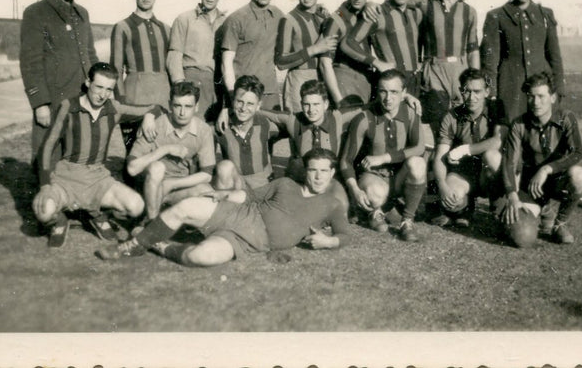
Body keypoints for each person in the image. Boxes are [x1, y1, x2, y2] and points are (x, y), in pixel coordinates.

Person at [98, 148, 352, 265]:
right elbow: (248, 196)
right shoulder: (285, 183)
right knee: (187, 205)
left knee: (200, 257)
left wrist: (329, 242)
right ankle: (132, 246)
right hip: (239, 213)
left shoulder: (332, 204)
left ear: (331, 173)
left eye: (323, 172)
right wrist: (222, 195)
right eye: (313, 170)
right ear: (306, 171)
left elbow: (346, 234)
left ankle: (157, 244)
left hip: (248, 242)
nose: (318, 177)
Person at [32, 62, 159, 247]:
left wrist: (150, 116)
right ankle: (60, 220)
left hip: (97, 178)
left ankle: (95, 214)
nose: (103, 94)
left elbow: (155, 107)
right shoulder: (68, 107)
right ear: (87, 82)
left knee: (136, 206)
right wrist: (44, 185)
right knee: (44, 211)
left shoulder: (114, 108)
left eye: (109, 89)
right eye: (99, 87)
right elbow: (47, 147)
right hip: (66, 178)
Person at [19, 0, 98, 169]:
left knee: (77, 158)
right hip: (52, 102)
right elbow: (30, 62)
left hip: (80, 100)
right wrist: (39, 104)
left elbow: (90, 55)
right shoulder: (36, 13)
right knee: (47, 159)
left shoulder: (82, 13)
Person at [341, 68, 433, 242]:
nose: (388, 98)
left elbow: (420, 147)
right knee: (375, 194)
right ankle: (376, 211)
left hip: (399, 178)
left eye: (394, 92)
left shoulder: (411, 114)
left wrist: (384, 157)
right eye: (383, 91)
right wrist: (354, 189)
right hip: (374, 177)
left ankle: (407, 220)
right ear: (377, 91)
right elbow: (346, 160)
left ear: (404, 93)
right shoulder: (365, 118)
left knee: (418, 164)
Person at [500, 71, 582, 246]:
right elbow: (509, 162)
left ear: (553, 97)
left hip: (557, 181)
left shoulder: (566, 119)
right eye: (531, 97)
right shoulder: (519, 124)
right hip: (531, 187)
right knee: (521, 238)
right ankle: (545, 211)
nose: (536, 102)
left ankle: (559, 224)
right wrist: (513, 197)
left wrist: (547, 169)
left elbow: (577, 152)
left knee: (579, 175)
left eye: (541, 96)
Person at [480, 0, 567, 120]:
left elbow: (555, 57)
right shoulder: (496, 16)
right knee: (510, 134)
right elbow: (489, 62)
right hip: (510, 90)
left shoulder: (545, 15)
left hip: (542, 90)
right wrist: (491, 94)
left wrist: (558, 89)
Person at [127, 81, 217, 219]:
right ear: (170, 105)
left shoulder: (203, 130)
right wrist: (165, 150)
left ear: (197, 107)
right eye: (177, 106)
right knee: (157, 168)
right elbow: (132, 169)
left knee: (208, 193)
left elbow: (207, 175)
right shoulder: (155, 124)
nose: (182, 112)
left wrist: (171, 184)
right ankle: (150, 224)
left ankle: (179, 222)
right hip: (149, 188)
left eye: (188, 106)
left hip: (177, 187)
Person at [430, 68, 504, 228]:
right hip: (465, 173)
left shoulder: (496, 107)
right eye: (467, 91)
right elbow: (440, 157)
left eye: (477, 91)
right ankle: (466, 205)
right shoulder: (451, 116)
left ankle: (498, 209)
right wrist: (442, 186)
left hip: (487, 172)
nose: (472, 97)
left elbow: (498, 140)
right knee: (451, 200)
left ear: (486, 91)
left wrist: (465, 149)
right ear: (460, 91)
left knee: (492, 157)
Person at [414, 0, 481, 127]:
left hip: (460, 69)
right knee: (439, 122)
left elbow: (473, 49)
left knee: (463, 122)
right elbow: (397, 4)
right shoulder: (424, 4)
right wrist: (371, 4)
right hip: (434, 69)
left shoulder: (469, 11)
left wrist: (476, 77)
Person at [339, 0, 422, 98]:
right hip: (391, 82)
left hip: (415, 80)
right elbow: (347, 43)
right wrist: (377, 63)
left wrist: (420, 61)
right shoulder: (377, 13)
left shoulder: (415, 13)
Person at [110, 0, 171, 148]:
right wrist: (121, 103)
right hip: (134, 100)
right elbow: (115, 69)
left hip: (162, 101)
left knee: (161, 155)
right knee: (135, 155)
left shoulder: (166, 29)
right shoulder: (123, 27)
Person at [219, 0, 286, 110]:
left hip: (269, 94)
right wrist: (233, 95)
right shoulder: (236, 19)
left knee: (273, 132)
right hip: (244, 95)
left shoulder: (279, 16)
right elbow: (226, 63)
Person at [166, 0, 229, 120]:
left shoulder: (227, 23)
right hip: (190, 83)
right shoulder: (185, 19)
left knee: (212, 135)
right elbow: (174, 57)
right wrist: (182, 89)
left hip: (216, 87)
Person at [274, 0, 343, 112]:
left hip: (324, 79)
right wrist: (315, 49)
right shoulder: (288, 20)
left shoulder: (323, 17)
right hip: (299, 80)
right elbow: (280, 62)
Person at [213, 75, 286, 194]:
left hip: (262, 191)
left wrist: (229, 109)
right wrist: (227, 110)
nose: (243, 108)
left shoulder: (266, 125)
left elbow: (292, 120)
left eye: (250, 104)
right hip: (234, 191)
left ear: (259, 105)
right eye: (239, 102)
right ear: (232, 101)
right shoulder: (220, 126)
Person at [330, 0, 376, 106]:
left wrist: (371, 4)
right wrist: (338, 98)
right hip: (345, 82)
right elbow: (325, 64)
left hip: (366, 81)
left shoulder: (370, 14)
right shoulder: (337, 19)